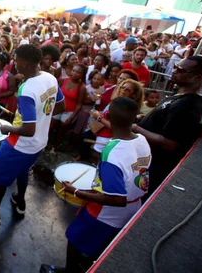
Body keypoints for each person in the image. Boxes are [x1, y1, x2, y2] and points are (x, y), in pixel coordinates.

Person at [41, 97, 151, 273]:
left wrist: (76, 191)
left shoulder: (113, 152)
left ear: (109, 117)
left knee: (75, 239)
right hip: (134, 207)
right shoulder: (142, 140)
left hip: (105, 212)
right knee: (102, 246)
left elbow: (117, 199)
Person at [0, 45, 65, 225]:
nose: (14, 64)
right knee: (23, 171)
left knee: (0, 178)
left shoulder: (27, 88)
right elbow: (60, 107)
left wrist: (7, 129)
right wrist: (42, 115)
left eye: (16, 60)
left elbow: (28, 129)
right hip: (40, 143)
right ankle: (20, 201)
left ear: (23, 62)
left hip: (19, 144)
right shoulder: (50, 78)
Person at [134, 56, 202, 194]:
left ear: (198, 78)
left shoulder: (188, 105)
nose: (174, 71)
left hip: (152, 166)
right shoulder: (179, 95)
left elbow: (170, 143)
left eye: (180, 70)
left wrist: (135, 128)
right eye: (175, 66)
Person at [90, 79, 144, 155]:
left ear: (134, 94)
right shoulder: (117, 102)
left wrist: (99, 117)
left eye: (127, 90)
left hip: (109, 139)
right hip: (102, 136)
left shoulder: (126, 108)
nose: (123, 90)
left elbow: (117, 128)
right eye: (122, 87)